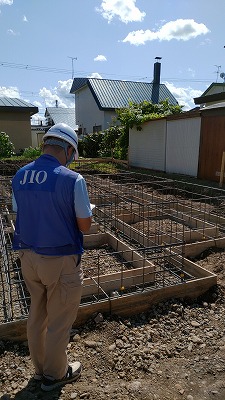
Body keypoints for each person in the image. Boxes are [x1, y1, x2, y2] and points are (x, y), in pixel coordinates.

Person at [12, 123, 92, 392]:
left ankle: (39, 369)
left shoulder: (19, 176)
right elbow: (85, 226)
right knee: (59, 321)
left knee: (37, 314)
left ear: (45, 144)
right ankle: (55, 375)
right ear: (69, 150)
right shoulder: (72, 179)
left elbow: (19, 212)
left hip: (29, 257)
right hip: (60, 259)